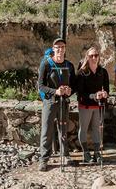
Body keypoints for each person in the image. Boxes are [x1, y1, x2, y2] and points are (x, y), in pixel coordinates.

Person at [38, 38, 75, 171]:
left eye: (62, 47)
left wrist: (70, 91)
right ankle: (44, 158)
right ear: (53, 49)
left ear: (65, 49)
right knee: (47, 129)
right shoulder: (46, 64)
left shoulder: (69, 65)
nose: (60, 49)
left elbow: (74, 84)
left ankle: (65, 155)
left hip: (64, 101)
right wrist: (55, 91)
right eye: (57, 47)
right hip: (50, 101)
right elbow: (40, 86)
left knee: (63, 129)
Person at [76, 46, 109, 164]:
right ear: (87, 57)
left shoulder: (103, 72)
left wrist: (105, 94)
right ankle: (85, 153)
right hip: (85, 105)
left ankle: (96, 152)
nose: (94, 58)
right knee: (83, 129)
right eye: (91, 56)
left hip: (98, 106)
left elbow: (107, 90)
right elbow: (80, 94)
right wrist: (94, 96)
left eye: (96, 55)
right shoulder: (82, 73)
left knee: (96, 130)